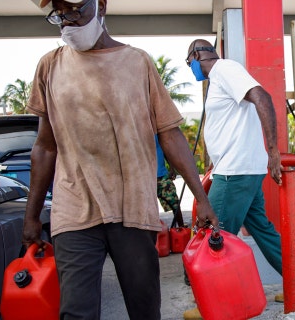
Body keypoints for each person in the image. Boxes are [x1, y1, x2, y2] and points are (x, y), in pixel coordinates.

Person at [21, 1, 218, 319]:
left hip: (133, 209)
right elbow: (44, 147)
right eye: (59, 15)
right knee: (76, 312)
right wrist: (31, 216)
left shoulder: (137, 62)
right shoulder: (50, 66)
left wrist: (201, 198)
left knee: (144, 309)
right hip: (74, 210)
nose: (67, 23)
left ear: (101, 6)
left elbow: (170, 134)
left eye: (75, 12)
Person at [182, 39, 295, 319]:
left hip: (236, 172)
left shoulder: (224, 69)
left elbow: (261, 96)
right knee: (262, 228)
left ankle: (215, 304)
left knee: (213, 236)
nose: (192, 69)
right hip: (241, 169)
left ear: (197, 55)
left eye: (190, 63)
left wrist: (272, 151)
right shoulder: (220, 79)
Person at [156, 136, 185, 227]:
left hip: (162, 175)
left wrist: (172, 168)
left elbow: (165, 150)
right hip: (145, 178)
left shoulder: (156, 131)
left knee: (175, 203)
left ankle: (181, 229)